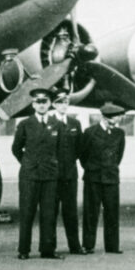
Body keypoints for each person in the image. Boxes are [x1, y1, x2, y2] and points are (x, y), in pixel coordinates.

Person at [12, 88, 62, 260]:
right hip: (30, 176)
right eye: (38, 102)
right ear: (33, 104)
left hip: (49, 175)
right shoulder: (25, 124)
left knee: (49, 213)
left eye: (45, 102)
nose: (41, 105)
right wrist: (28, 163)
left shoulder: (57, 124)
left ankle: (47, 249)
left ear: (49, 104)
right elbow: (16, 148)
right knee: (27, 213)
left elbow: (61, 150)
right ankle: (24, 250)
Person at [80, 103, 126, 254]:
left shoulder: (119, 133)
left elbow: (118, 155)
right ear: (106, 118)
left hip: (111, 178)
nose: (119, 119)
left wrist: (109, 168)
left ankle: (112, 246)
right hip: (93, 178)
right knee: (90, 212)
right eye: (116, 117)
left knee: (112, 213)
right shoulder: (90, 132)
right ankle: (88, 244)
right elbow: (83, 155)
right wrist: (92, 169)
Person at [51, 88, 84, 255]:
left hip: (70, 175)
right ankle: (50, 246)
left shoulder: (75, 124)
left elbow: (80, 148)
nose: (63, 105)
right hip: (52, 176)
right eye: (59, 102)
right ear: (54, 104)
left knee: (71, 212)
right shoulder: (48, 122)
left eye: (65, 102)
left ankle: (75, 246)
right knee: (51, 211)